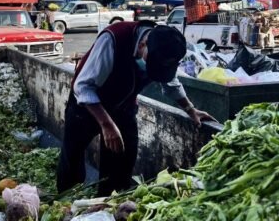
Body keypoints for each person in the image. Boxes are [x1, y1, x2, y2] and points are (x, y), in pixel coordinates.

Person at [57, 20, 216, 196]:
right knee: (73, 154)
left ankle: (108, 203)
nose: (149, 70)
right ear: (142, 44)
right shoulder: (113, 39)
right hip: (86, 105)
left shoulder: (163, 47)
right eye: (150, 65)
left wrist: (190, 109)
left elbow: (170, 83)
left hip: (123, 107)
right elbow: (83, 87)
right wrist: (107, 124)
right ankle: (67, 202)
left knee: (122, 160)